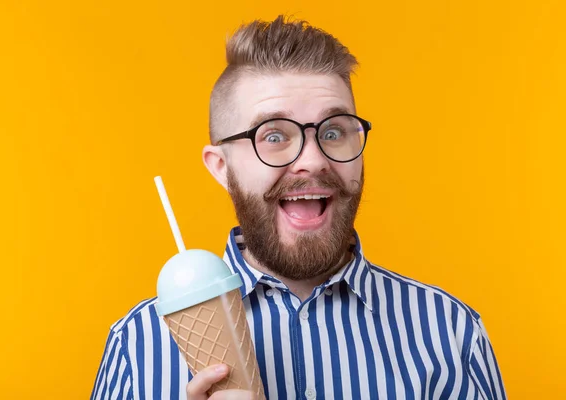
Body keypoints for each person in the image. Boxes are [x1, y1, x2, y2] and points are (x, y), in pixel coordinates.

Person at [91, 15, 506, 400]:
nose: (313, 160)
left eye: (333, 131)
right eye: (274, 136)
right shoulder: (138, 345)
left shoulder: (450, 334)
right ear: (221, 166)